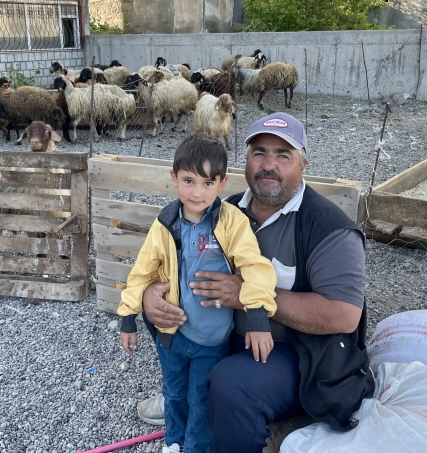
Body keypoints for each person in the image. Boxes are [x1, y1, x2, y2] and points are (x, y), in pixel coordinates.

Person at [138, 113, 375, 453]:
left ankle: (228, 417)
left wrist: (248, 296)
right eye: (259, 152)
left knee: (233, 384)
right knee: (162, 315)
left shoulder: (328, 228)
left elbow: (344, 315)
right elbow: (175, 261)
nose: (269, 164)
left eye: (283, 155)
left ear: (303, 164)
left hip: (298, 351)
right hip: (224, 334)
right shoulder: (224, 211)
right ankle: (183, 396)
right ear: (246, 160)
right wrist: (150, 294)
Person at [118, 134, 278, 453]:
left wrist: (258, 316)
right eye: (188, 181)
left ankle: (195, 448)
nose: (196, 192)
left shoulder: (231, 222)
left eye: (207, 183)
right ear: (174, 177)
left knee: (201, 400)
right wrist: (127, 316)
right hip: (172, 335)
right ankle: (173, 443)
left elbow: (255, 266)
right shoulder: (165, 224)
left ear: (222, 183)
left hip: (211, 338)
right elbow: (143, 270)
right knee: (174, 393)